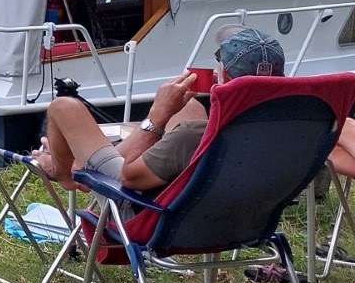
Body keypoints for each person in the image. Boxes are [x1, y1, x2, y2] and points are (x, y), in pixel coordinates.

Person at [31, 25, 286, 193]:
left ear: (224, 77)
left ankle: (64, 171)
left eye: (219, 61)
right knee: (189, 106)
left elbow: (129, 178)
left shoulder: (196, 136)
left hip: (148, 207)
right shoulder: (289, 132)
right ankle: (79, 163)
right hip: (238, 217)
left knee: (64, 106)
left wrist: (156, 117)